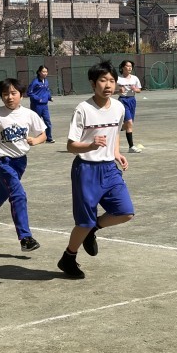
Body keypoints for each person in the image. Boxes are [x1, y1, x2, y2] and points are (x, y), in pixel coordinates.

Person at [57, 60, 135, 279]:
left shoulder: (119, 107)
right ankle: (68, 258)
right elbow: (71, 146)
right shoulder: (83, 109)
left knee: (125, 212)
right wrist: (91, 145)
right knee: (84, 221)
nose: (108, 85)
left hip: (109, 168)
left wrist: (116, 152)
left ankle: (94, 229)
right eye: (103, 80)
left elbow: (115, 133)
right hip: (86, 170)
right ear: (93, 83)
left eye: (112, 80)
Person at [0, 78, 47, 252]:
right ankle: (25, 238)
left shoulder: (29, 114)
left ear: (21, 95)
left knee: (3, 192)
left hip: (20, 161)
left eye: (13, 93)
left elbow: (43, 134)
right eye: (5, 94)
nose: (9, 97)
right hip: (1, 161)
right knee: (18, 194)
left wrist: (35, 140)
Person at [116, 60, 143, 153]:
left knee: (129, 124)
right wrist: (119, 91)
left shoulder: (135, 78)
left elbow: (139, 90)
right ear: (122, 67)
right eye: (127, 66)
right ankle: (131, 147)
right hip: (122, 100)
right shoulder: (118, 79)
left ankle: (116, 128)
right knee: (129, 122)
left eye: (131, 66)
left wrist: (135, 89)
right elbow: (112, 91)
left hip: (132, 100)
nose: (130, 68)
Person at [27, 65, 55, 143]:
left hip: (45, 106)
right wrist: (38, 99)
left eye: (46, 72)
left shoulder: (46, 81)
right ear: (39, 72)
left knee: (47, 122)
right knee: (35, 123)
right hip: (36, 106)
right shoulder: (35, 82)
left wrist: (49, 97)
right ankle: (25, 136)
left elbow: (47, 91)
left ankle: (48, 138)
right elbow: (29, 92)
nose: (45, 73)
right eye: (43, 71)